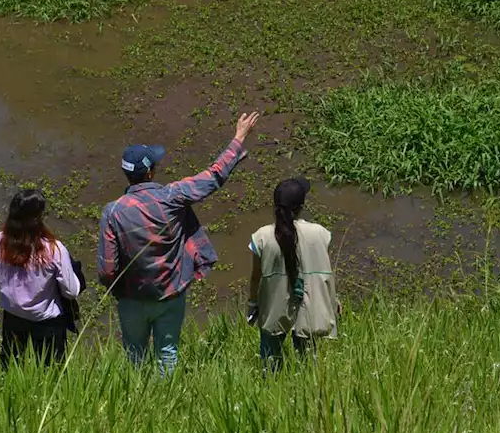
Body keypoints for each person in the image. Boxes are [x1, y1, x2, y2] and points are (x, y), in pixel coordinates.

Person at [99, 112, 261, 374]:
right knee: (167, 352)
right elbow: (212, 177)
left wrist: (120, 291)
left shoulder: (112, 212)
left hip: (131, 300)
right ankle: (166, 402)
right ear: (150, 172)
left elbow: (107, 270)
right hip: (171, 294)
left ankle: (138, 406)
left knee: (134, 357)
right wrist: (239, 137)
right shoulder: (171, 197)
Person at [0, 188, 83, 368]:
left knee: (10, 370)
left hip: (13, 319)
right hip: (47, 323)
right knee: (52, 374)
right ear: (38, 217)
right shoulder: (54, 249)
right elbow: (71, 291)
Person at [246, 176, 339, 370]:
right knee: (308, 362)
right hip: (310, 306)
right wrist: (334, 301)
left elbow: (256, 277)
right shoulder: (320, 233)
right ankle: (307, 390)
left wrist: (253, 305)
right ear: (301, 206)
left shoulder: (262, 237)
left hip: (273, 306)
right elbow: (326, 273)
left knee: (270, 360)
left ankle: (270, 388)